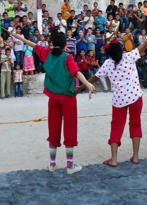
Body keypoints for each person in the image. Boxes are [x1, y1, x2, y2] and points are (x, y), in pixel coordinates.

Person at [81, 22, 147, 166]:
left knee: (116, 126)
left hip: (119, 100)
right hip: (135, 96)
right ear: (122, 50)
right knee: (135, 124)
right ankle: (135, 157)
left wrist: (79, 89)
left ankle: (114, 159)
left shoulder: (108, 64)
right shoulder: (130, 56)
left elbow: (93, 78)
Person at [10, 28, 95, 175]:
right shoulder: (67, 57)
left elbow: (31, 44)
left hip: (53, 98)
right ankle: (69, 166)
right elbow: (77, 72)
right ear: (64, 45)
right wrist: (88, 84)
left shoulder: (47, 53)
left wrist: (19, 38)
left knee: (53, 128)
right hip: (68, 99)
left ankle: (52, 164)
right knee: (69, 129)